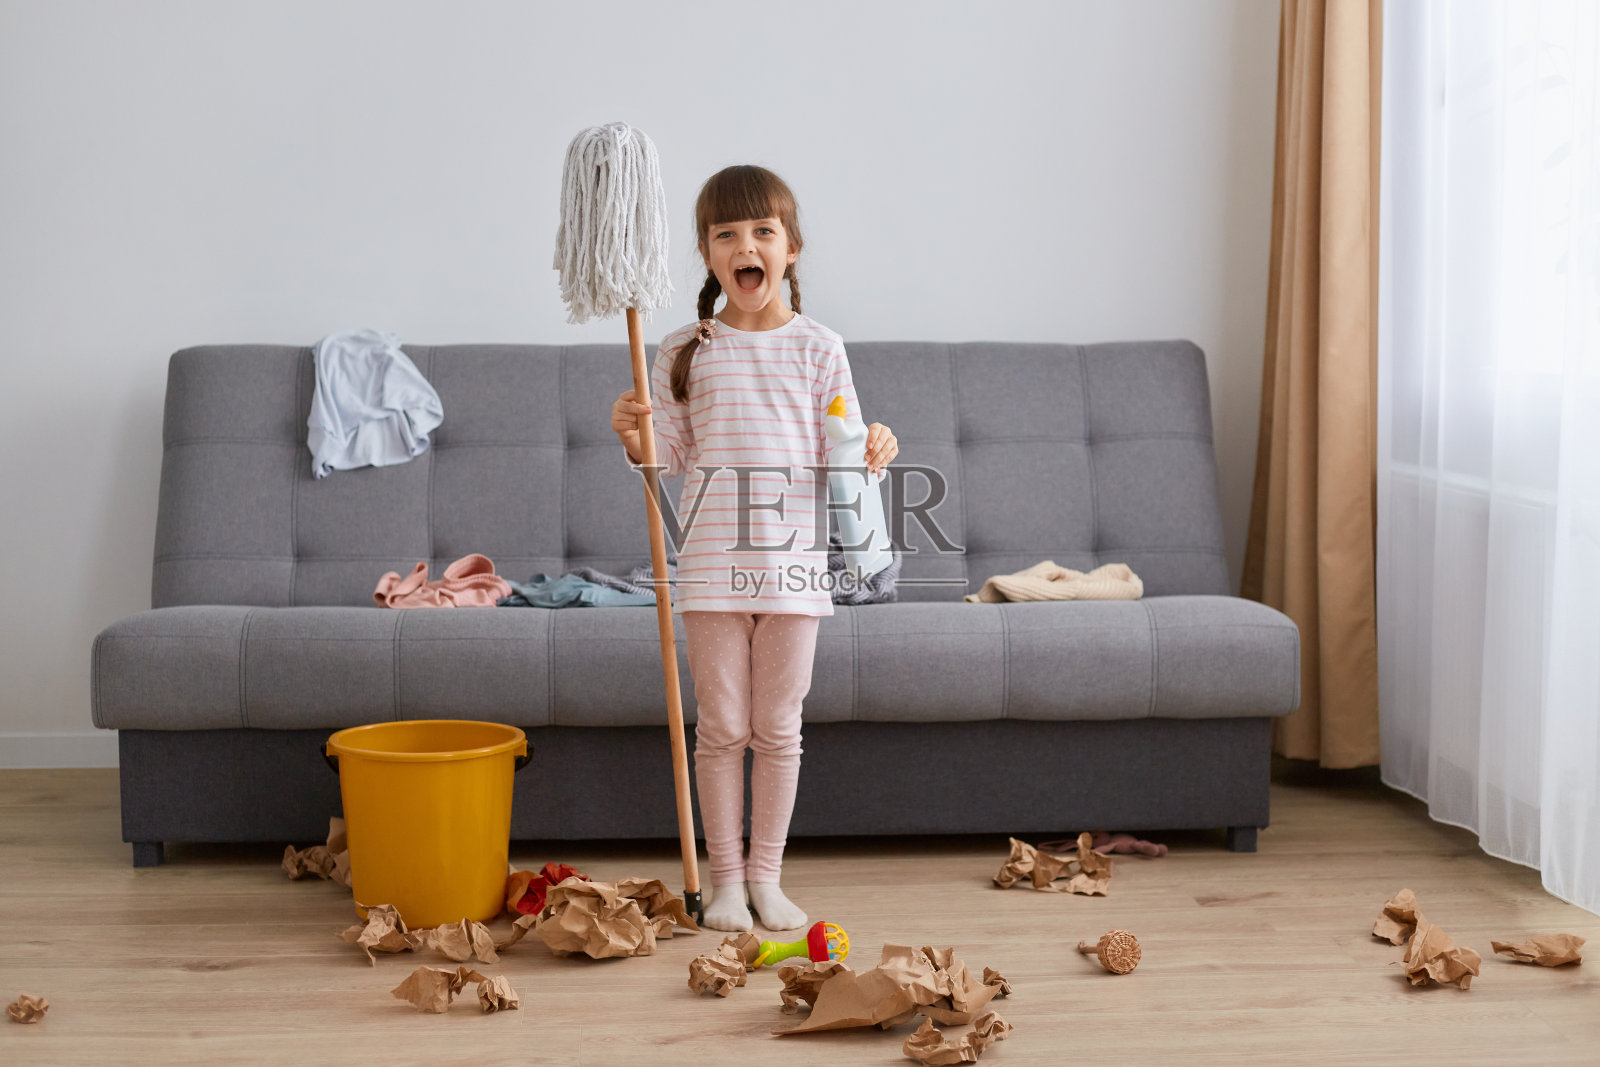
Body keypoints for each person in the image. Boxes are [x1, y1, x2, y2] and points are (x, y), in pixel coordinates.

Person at [610, 164, 898, 931]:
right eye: (727, 233)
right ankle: (727, 881)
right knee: (724, 727)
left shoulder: (820, 348)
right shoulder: (685, 347)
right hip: (709, 570)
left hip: (796, 571)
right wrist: (633, 431)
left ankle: (767, 877)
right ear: (708, 255)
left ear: (791, 248)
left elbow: (845, 448)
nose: (747, 245)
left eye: (762, 231)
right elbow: (664, 458)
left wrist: (875, 443)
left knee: (777, 727)